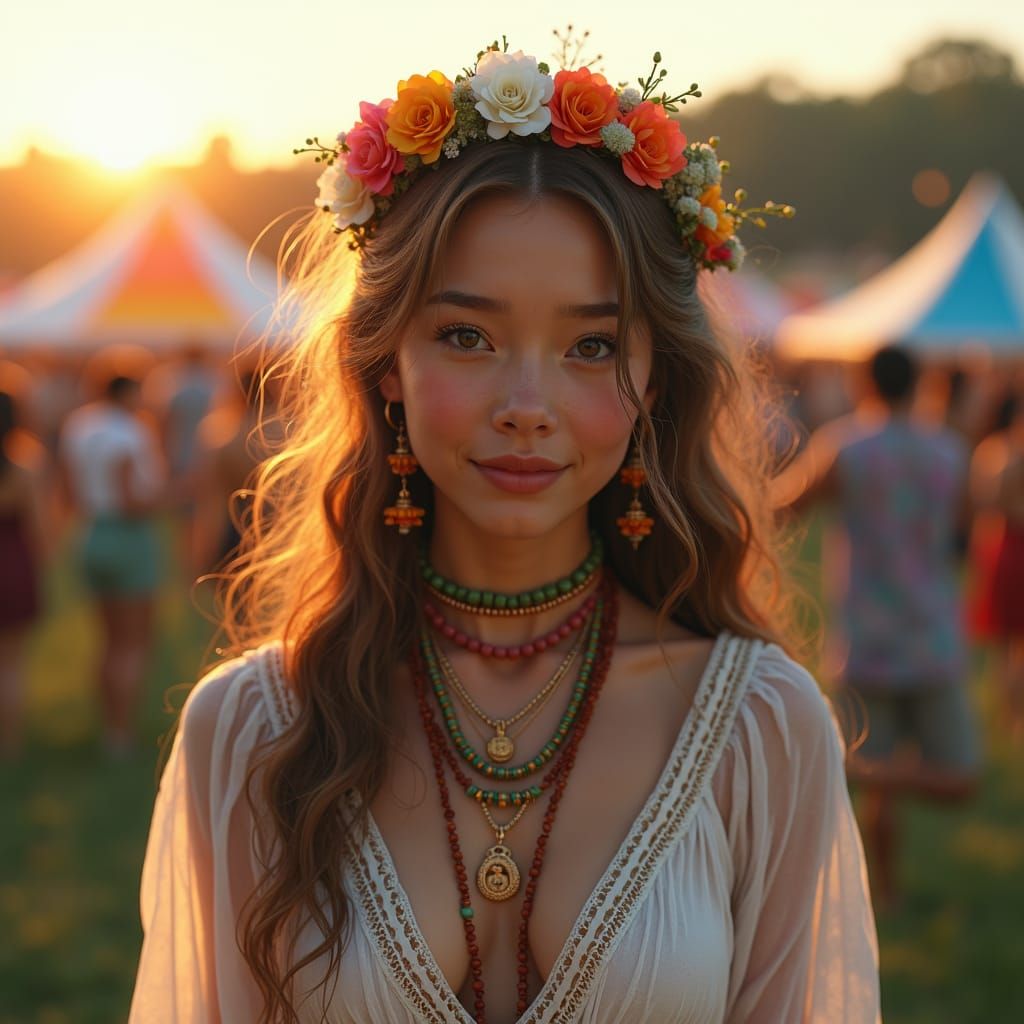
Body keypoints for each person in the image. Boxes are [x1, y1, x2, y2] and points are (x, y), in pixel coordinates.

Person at [130, 46, 879, 1023]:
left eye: (591, 345)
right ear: (386, 360)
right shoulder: (248, 732)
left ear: (653, 380)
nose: (527, 405)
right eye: (468, 336)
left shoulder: (760, 727)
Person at [776, 345, 981, 910]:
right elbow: (963, 532)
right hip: (933, 628)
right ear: (917, 384)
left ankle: (871, 804)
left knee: (877, 765)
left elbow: (785, 506)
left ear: (863, 384)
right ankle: (882, 892)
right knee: (957, 775)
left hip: (865, 633)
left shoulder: (846, 446)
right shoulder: (948, 450)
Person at [59, 371, 165, 755]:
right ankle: (121, 733)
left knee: (108, 639)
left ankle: (107, 725)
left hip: (90, 531)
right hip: (127, 536)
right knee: (132, 642)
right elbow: (129, 500)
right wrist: (167, 497)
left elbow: (69, 486)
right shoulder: (128, 431)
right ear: (128, 392)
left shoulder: (80, 424)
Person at [0, 374, 47, 758]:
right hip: (11, 563)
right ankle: (9, 744)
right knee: (11, 663)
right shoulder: (23, 466)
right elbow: (37, 527)